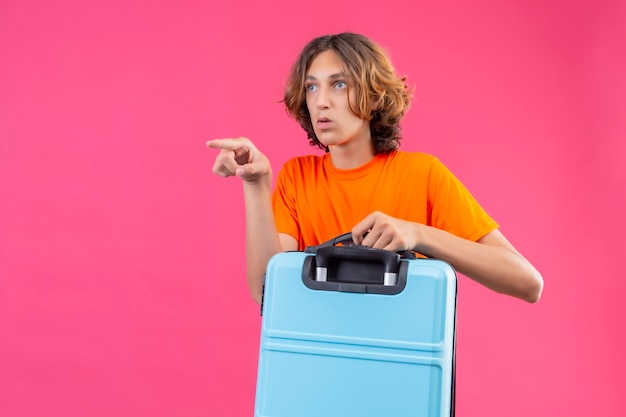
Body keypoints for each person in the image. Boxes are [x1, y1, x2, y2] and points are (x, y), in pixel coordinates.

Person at [207, 32, 543, 305]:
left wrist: (419, 234)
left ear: (373, 95)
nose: (321, 100)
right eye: (312, 86)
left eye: (339, 84)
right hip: (318, 366)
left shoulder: (422, 174)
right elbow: (269, 294)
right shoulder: (298, 177)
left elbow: (527, 283)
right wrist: (256, 183)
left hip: (400, 367)